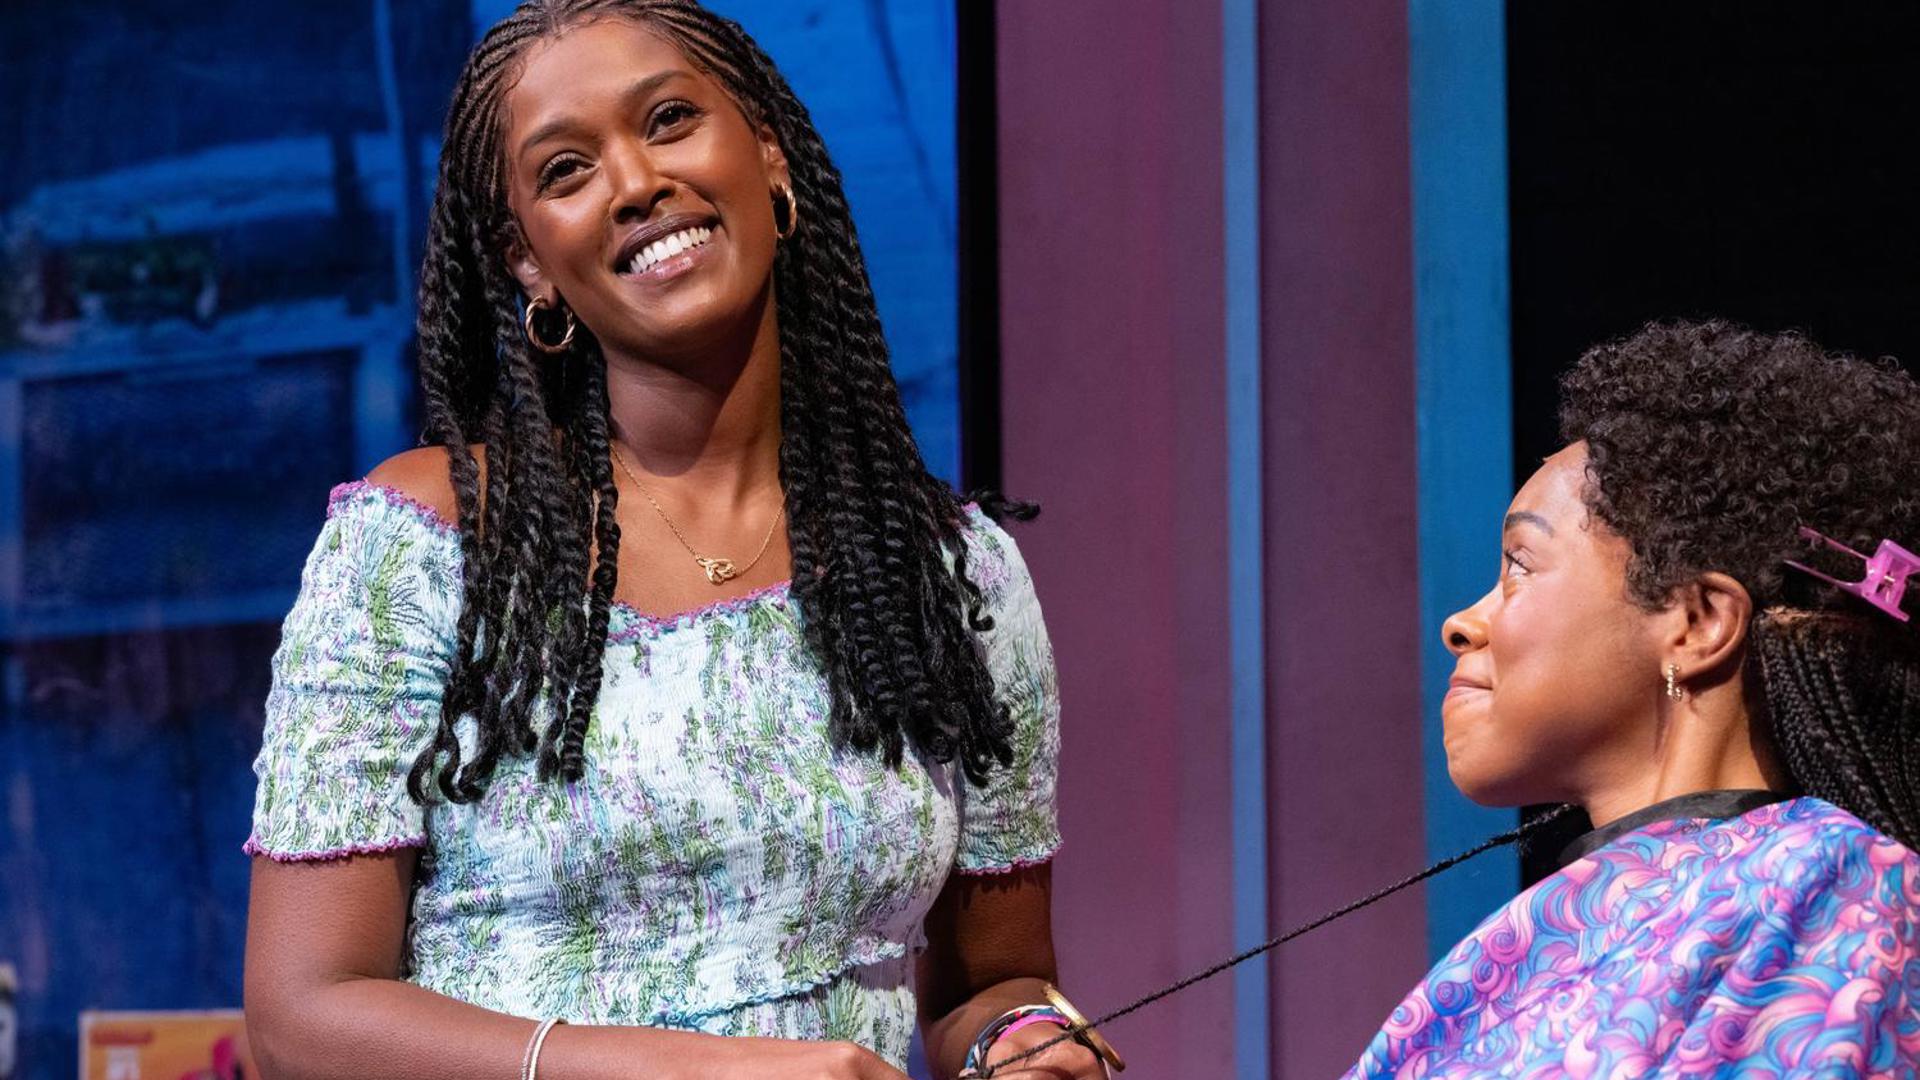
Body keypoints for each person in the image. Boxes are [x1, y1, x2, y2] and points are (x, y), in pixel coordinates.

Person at [241, 4, 1112, 1078]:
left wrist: (1026, 1044)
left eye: (668, 119)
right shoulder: (421, 550)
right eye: (566, 171)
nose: (635, 182)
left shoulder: (951, 577)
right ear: (529, 265)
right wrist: (708, 1071)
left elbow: (995, 982)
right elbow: (299, 1021)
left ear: (771, 157)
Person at [1348, 320, 1920, 1076]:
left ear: (1697, 623)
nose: (1463, 624)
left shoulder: (1832, 886)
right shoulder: (1549, 932)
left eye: (1519, 564)